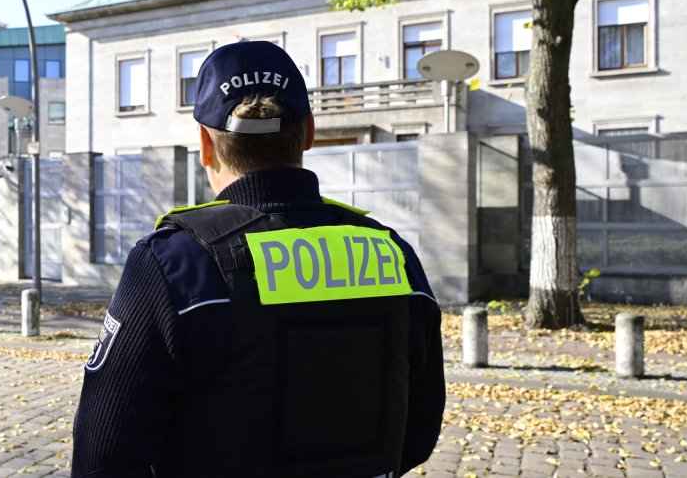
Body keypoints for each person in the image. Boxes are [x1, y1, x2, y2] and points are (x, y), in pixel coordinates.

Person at [71, 40, 444, 477]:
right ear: (309, 132)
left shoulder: (175, 263)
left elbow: (104, 452)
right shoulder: (392, 253)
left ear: (205, 145)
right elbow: (417, 430)